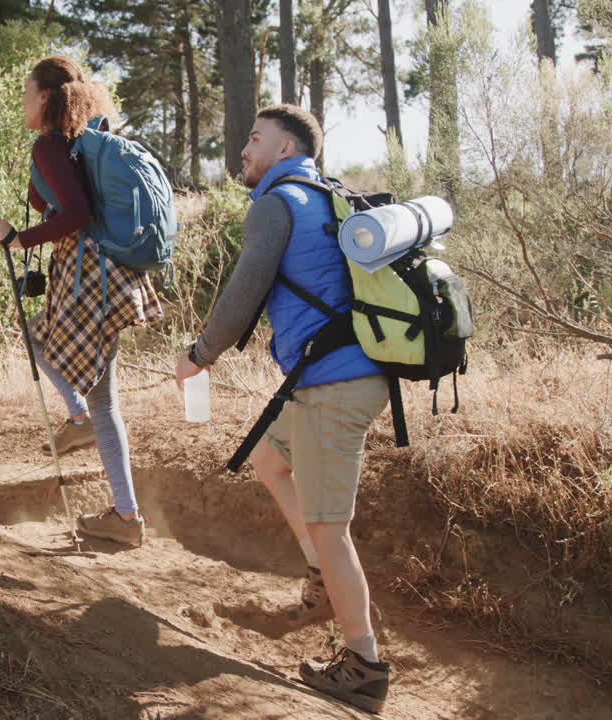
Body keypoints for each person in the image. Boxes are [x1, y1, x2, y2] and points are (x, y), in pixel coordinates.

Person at [173, 105, 392, 714]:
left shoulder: (277, 202)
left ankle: (365, 666)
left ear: (286, 146)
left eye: (254, 137)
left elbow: (242, 295)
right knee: (270, 458)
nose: (243, 149)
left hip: (334, 384)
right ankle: (321, 577)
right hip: (341, 376)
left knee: (331, 527)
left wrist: (199, 353)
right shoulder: (323, 195)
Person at [0, 55, 162, 548]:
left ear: (45, 97)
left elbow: (76, 213)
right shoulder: (76, 145)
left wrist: (18, 239)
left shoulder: (50, 146)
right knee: (103, 399)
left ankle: (80, 421)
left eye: (26, 93)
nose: (22, 102)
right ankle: (126, 515)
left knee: (39, 343)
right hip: (108, 271)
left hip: (84, 273)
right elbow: (62, 204)